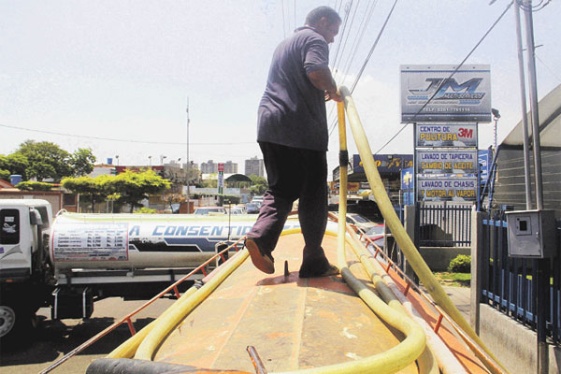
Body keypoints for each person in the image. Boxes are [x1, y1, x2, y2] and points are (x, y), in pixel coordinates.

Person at [245, 6, 343, 278]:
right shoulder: (314, 39)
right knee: (313, 194)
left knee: (282, 189)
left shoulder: (283, 45)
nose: (332, 39)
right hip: (301, 128)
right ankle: (314, 261)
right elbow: (315, 70)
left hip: (269, 125)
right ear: (322, 23)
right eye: (333, 32)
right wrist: (333, 89)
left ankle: (261, 239)